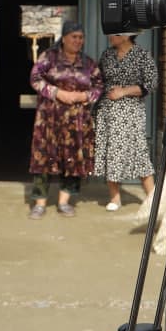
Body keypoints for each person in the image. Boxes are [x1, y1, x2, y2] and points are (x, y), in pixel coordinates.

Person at [27, 20, 102, 218]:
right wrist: (57, 92)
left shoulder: (88, 63)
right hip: (49, 118)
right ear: (64, 38)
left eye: (81, 37)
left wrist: (83, 96)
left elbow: (99, 86)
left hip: (77, 120)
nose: (78, 41)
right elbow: (35, 78)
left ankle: (64, 201)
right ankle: (40, 203)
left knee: (73, 159)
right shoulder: (49, 58)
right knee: (43, 157)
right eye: (74, 37)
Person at [92, 32, 157, 211]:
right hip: (107, 111)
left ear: (127, 36)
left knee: (138, 151)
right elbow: (98, 80)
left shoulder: (142, 55)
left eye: (115, 34)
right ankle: (115, 198)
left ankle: (153, 197)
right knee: (110, 150)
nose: (110, 36)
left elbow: (151, 83)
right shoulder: (107, 55)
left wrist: (124, 91)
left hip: (131, 111)